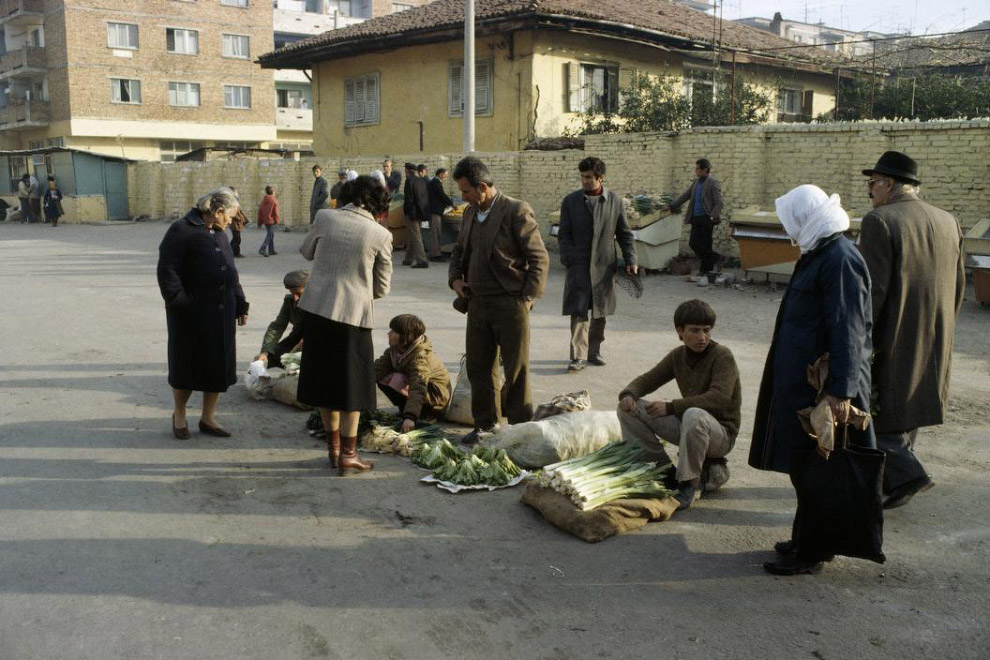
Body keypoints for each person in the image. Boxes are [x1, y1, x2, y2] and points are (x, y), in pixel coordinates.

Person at [749, 184, 875, 576]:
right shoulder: (820, 253)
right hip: (805, 386)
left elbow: (849, 330)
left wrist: (840, 391)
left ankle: (813, 552)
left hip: (825, 389)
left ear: (806, 220)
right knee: (806, 466)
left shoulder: (839, 259)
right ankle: (807, 538)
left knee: (820, 469)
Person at [858, 151, 965, 509]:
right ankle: (895, 482)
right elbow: (959, 285)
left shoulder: (880, 220)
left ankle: (907, 474)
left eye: (872, 184)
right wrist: (944, 324)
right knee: (909, 405)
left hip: (895, 332)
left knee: (881, 409)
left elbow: (873, 290)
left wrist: (859, 339)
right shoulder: (948, 220)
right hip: (936, 331)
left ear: (888, 183)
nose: (870, 191)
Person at [449, 156, 549, 444]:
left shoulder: (515, 210)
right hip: (477, 303)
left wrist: (527, 298)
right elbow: (457, 252)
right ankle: (485, 425)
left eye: (466, 191)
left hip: (510, 303)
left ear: (482, 187)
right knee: (479, 368)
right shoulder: (469, 213)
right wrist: (455, 279)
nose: (463, 197)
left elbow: (539, 257)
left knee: (516, 370)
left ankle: (519, 430)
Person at [297, 175, 393, 475]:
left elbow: (306, 251)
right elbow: (382, 287)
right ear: (378, 203)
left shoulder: (325, 217)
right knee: (352, 387)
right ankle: (349, 454)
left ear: (348, 194)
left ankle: (333, 448)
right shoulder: (380, 234)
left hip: (317, 309)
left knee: (324, 381)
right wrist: (359, 289)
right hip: (354, 316)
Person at [617, 299, 740, 510]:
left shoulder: (722, 356)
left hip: (720, 435)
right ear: (679, 331)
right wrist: (629, 393)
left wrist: (671, 407)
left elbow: (719, 397)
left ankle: (689, 484)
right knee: (628, 407)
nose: (701, 337)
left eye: (706, 330)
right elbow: (648, 379)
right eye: (694, 330)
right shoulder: (678, 356)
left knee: (693, 414)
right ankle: (661, 469)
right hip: (691, 427)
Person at [157, 188, 249, 440]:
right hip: (190, 314)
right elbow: (168, 271)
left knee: (217, 366)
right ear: (217, 211)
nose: (231, 221)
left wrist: (240, 302)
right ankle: (179, 415)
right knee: (186, 366)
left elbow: (231, 270)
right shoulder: (181, 230)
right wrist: (180, 302)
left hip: (221, 312)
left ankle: (208, 418)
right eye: (229, 215)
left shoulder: (218, 232)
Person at [558, 156, 637, 372]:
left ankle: (593, 352)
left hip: (604, 266)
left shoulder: (615, 202)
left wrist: (631, 259)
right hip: (579, 265)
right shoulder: (570, 201)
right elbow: (563, 235)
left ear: (601, 178)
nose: (584, 181)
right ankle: (578, 356)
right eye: (582, 177)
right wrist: (569, 257)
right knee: (579, 310)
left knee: (600, 312)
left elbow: (625, 234)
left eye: (588, 177)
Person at [374, 314, 452, 432]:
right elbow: (376, 370)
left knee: (397, 379)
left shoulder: (420, 358)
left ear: (407, 337)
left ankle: (421, 414)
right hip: (417, 393)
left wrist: (410, 416)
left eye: (394, 331)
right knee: (383, 376)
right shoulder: (394, 350)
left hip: (434, 400)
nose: (389, 333)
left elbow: (418, 387)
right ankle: (405, 409)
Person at [663, 158, 723, 281]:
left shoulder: (712, 183)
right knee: (694, 243)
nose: (695, 171)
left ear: (705, 170)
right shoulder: (696, 182)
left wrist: (712, 216)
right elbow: (686, 195)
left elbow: (719, 203)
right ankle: (716, 258)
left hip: (707, 218)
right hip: (696, 218)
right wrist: (672, 205)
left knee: (706, 245)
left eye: (697, 169)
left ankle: (705, 271)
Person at [256, 270, 308, 368]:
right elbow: (277, 327)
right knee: (265, 360)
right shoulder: (289, 301)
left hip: (319, 342)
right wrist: (265, 352)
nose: (295, 298)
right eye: (292, 293)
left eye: (298, 293)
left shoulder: (321, 304)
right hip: (296, 339)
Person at [402, 161, 430, 268]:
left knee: (416, 236)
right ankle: (408, 259)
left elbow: (409, 199)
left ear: (407, 171)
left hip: (412, 213)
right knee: (412, 235)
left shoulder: (409, 181)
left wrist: (408, 211)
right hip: (420, 212)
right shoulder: (421, 181)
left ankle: (422, 260)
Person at [427, 167, 454, 261]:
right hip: (435, 212)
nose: (446, 177)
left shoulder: (434, 182)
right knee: (435, 234)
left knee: (436, 233)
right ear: (441, 174)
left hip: (435, 211)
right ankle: (435, 255)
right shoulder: (435, 183)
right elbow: (442, 195)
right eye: (445, 175)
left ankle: (435, 253)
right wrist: (451, 203)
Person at [257, 185, 280, 257]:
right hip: (270, 220)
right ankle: (262, 249)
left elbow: (260, 211)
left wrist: (259, 222)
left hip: (265, 220)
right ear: (273, 192)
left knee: (271, 234)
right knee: (269, 235)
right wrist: (276, 220)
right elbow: (275, 212)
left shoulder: (264, 200)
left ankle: (271, 250)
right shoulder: (274, 200)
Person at [227, 186, 247, 257]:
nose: (237, 193)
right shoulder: (231, 201)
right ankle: (229, 251)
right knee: (237, 238)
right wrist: (239, 218)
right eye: (236, 192)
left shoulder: (234, 200)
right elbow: (233, 212)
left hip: (236, 223)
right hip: (234, 223)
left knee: (237, 238)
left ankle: (236, 253)